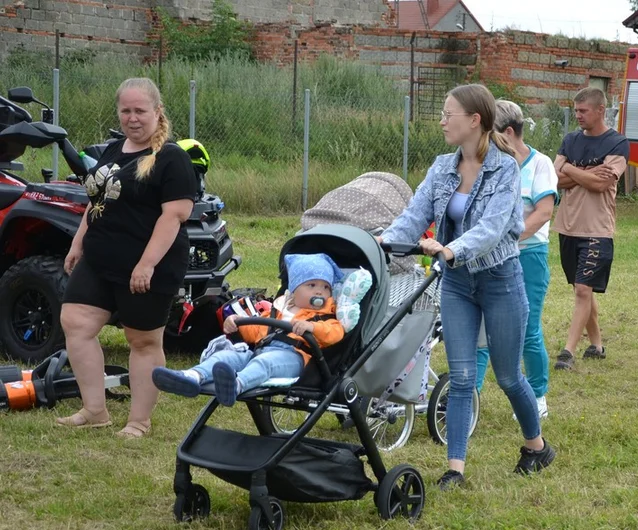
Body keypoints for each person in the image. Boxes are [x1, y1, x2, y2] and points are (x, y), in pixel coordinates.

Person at [379, 84, 555, 488]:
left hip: (500, 281)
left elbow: (494, 229)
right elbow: (413, 214)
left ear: (475, 120)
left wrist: (451, 248)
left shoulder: (506, 169)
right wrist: (382, 242)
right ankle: (454, 470)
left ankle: (537, 447)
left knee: (509, 376)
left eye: (448, 113)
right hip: (457, 283)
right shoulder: (442, 167)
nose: (442, 121)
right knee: (460, 378)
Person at [57, 77, 197, 438]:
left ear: (157, 111)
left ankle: (139, 421)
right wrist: (78, 244)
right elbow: (97, 203)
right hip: (101, 259)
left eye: (140, 110)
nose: (132, 118)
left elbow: (174, 216)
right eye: (125, 110)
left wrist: (146, 264)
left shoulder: (172, 159)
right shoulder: (114, 150)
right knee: (76, 322)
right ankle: (94, 410)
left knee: (142, 341)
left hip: (148, 265)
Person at [152, 253, 347, 406]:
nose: (319, 291)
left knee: (264, 362)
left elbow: (334, 334)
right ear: (294, 290)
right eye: (311, 285)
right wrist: (238, 321)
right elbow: (256, 330)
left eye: (326, 287)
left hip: (295, 358)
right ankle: (192, 377)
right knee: (228, 356)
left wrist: (312, 327)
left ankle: (235, 386)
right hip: (261, 349)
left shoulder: (326, 317)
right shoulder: (278, 310)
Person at [475, 100, 558, 418]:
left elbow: (543, 213)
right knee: (481, 327)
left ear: (508, 133)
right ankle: (471, 396)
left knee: (526, 329)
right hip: (488, 258)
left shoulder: (540, 165)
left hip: (528, 257)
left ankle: (537, 397)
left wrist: (506, 239)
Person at [552, 87, 629, 370]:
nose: (578, 116)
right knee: (581, 290)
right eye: (576, 111)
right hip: (568, 226)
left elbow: (601, 184)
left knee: (584, 289)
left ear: (600, 110)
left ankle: (568, 352)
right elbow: (554, 179)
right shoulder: (570, 139)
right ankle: (596, 346)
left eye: (583, 111)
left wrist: (570, 169)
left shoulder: (617, 143)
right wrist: (582, 173)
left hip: (598, 229)